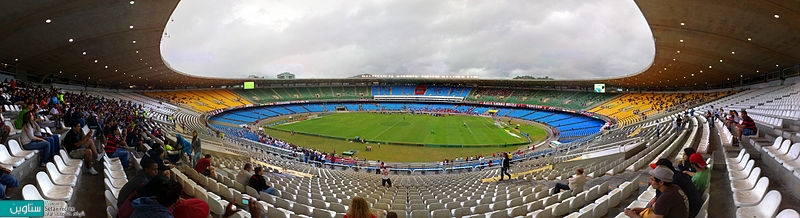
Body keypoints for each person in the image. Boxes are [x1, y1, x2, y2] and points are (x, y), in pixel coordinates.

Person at [624, 166, 689, 218]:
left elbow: (663, 204)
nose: (650, 182)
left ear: (661, 182)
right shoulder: (675, 187)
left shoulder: (664, 198)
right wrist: (642, 210)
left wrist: (633, 216)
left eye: (652, 180)